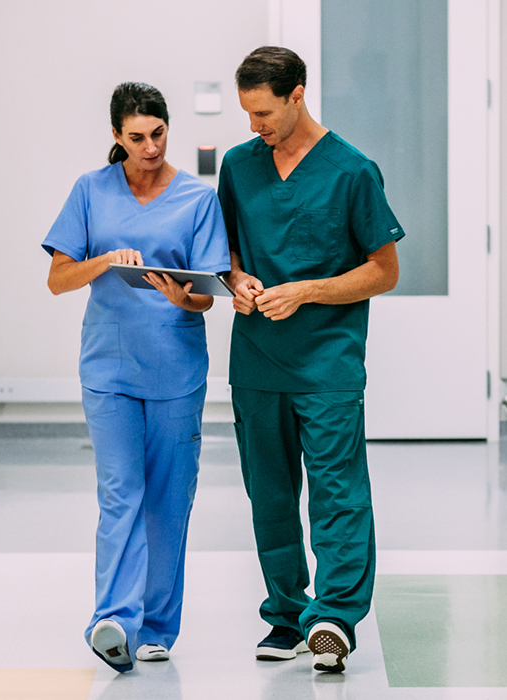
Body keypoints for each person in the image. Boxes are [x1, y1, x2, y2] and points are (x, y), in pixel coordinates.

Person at [218, 46, 404, 673]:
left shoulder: (352, 171)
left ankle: (334, 617)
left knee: (336, 492)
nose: (255, 126)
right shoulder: (239, 167)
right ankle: (285, 611)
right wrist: (238, 281)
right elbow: (228, 252)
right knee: (269, 493)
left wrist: (307, 290)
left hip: (327, 363)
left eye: (265, 112)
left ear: (298, 94)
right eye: (247, 113)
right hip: (257, 361)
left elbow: (384, 271)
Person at [42, 82, 230, 672]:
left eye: (158, 134)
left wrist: (185, 296)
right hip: (110, 369)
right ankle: (112, 620)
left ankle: (155, 628)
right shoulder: (90, 191)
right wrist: (105, 260)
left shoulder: (198, 200)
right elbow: (59, 278)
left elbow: (209, 296)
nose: (150, 147)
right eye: (136, 137)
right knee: (120, 493)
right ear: (116, 138)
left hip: (176, 368)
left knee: (168, 501)